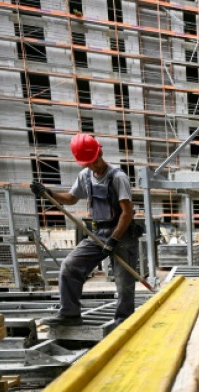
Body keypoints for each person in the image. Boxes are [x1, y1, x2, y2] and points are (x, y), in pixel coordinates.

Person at [31, 133, 139, 326]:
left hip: (122, 235)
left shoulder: (118, 177)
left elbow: (127, 212)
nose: (93, 165)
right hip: (98, 234)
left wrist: (114, 240)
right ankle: (70, 314)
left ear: (100, 152)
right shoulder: (85, 176)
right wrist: (49, 193)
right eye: (88, 163)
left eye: (95, 160)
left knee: (124, 284)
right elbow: (71, 199)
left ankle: (123, 322)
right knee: (70, 266)